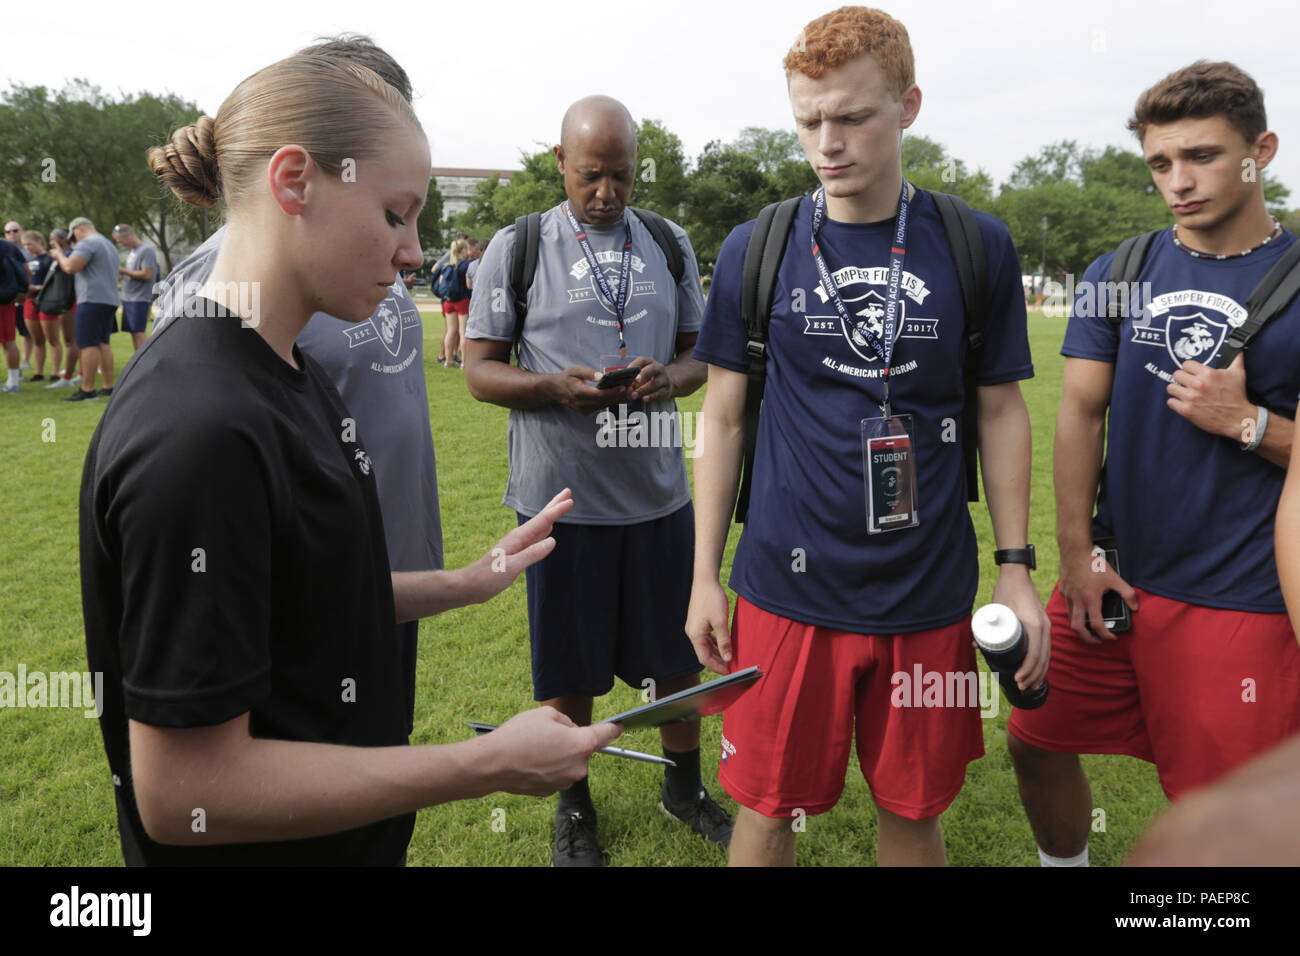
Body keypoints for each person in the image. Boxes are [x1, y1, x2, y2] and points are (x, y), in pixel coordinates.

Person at [82, 51, 620, 867]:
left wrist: (467, 583)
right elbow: (186, 791)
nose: (414, 253)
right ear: (295, 180)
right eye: (397, 213)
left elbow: (297, 597)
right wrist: (482, 765)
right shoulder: (200, 432)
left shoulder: (285, 366)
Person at [686, 6, 1047, 867]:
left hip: (925, 590)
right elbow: (725, 415)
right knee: (769, 807)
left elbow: (999, 409)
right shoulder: (757, 245)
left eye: (852, 117)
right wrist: (704, 575)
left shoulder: (973, 244)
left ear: (909, 106)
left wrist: (1016, 566)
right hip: (784, 585)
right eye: (807, 120)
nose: (827, 143)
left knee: (915, 810)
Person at [1007, 60, 1300, 867]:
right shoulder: (1119, 272)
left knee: (1222, 821)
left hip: (1243, 598)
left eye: (1202, 156)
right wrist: (1076, 557)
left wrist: (1245, 423)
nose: (1179, 181)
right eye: (1161, 164)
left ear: (1260, 150)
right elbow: (1078, 415)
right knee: (1035, 736)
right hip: (1120, 578)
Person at [151, 33, 445, 737]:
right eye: (391, 211)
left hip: (381, 578)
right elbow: (201, 786)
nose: (410, 250)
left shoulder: (355, 258)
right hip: (307, 594)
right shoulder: (225, 287)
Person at [464, 94, 732, 866]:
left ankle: (683, 788)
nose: (607, 192)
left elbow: (701, 356)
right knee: (568, 666)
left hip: (657, 496)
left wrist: (668, 379)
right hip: (563, 500)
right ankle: (572, 806)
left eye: (621, 175)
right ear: (559, 163)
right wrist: (554, 387)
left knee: (678, 659)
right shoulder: (518, 246)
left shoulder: (667, 241)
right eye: (591, 176)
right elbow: (480, 372)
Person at [49, 217, 118, 401]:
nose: (75, 239)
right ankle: (108, 386)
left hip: (91, 299)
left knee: (88, 344)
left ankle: (87, 390)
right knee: (103, 343)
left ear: (79, 229)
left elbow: (70, 267)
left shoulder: (87, 243)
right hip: (109, 299)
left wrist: (59, 255)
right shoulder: (108, 244)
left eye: (74, 235)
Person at [43, 229, 82, 390]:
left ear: (63, 239)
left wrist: (59, 253)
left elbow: (69, 270)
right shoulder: (58, 255)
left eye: (54, 239)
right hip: (62, 301)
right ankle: (80, 373)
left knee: (71, 340)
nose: (51, 242)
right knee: (71, 341)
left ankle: (68, 377)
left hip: (70, 301)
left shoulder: (71, 254)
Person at [20, 230, 60, 383]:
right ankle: (38, 372)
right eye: (24, 245)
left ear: (39, 241)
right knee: (37, 340)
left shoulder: (50, 259)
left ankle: (55, 373)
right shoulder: (29, 261)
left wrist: (38, 288)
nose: (27, 248)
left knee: (53, 339)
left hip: (47, 302)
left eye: (29, 244)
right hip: (30, 301)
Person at [112, 224, 157, 351]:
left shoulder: (146, 250)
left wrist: (123, 271)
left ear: (129, 235)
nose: (121, 244)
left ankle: (147, 362)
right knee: (133, 332)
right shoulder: (133, 252)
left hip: (139, 298)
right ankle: (138, 364)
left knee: (139, 332)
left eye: (120, 241)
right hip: (129, 298)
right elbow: (131, 273)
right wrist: (121, 275)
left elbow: (147, 274)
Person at [440, 237, 472, 368]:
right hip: (462, 300)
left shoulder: (447, 265)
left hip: (448, 301)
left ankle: (448, 360)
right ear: (463, 250)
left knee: (450, 331)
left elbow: (441, 283)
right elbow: (469, 284)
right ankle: (464, 362)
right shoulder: (465, 265)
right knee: (463, 331)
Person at [0, 233, 26, 392]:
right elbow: (25, 270)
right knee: (8, 341)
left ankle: (13, 381)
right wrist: (22, 292)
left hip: (2, 301)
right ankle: (13, 380)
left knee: (8, 341)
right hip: (7, 299)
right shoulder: (8, 246)